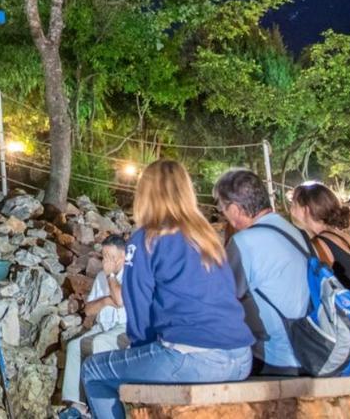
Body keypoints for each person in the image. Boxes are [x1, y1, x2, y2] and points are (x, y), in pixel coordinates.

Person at [81, 160, 254, 419]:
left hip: (192, 358)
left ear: (145, 193)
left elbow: (138, 309)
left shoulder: (146, 238)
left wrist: (142, 353)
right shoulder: (207, 238)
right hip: (240, 358)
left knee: (93, 371)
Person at [213, 168, 309, 375]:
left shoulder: (244, 242)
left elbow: (221, 299)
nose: (225, 217)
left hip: (274, 356)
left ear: (236, 208)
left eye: (223, 209)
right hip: (308, 348)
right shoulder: (294, 233)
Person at [287, 182, 350, 336]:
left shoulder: (320, 244)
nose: (291, 210)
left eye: (294, 204)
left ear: (306, 210)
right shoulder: (344, 237)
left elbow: (319, 286)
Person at [57, 236, 129, 419]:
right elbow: (89, 310)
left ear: (122, 257)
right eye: (104, 255)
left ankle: (99, 407)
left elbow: (119, 300)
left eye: (110, 256)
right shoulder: (100, 276)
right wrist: (105, 300)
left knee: (98, 345)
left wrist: (111, 276)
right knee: (74, 347)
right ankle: (78, 406)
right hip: (103, 326)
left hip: (125, 328)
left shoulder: (130, 274)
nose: (105, 260)